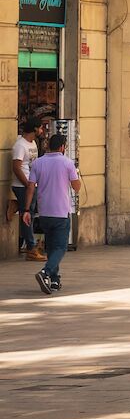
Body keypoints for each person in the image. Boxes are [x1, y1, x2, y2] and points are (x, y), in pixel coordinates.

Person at [24, 131, 79, 294]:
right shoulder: (67, 163)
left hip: (44, 212)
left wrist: (27, 210)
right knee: (61, 247)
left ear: (48, 146)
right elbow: (77, 187)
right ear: (62, 147)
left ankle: (55, 280)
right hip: (61, 212)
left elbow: (30, 188)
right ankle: (45, 272)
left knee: (51, 246)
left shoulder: (38, 163)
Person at [10, 117, 40, 260]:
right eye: (40, 127)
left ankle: (14, 206)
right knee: (27, 214)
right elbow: (16, 167)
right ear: (34, 129)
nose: (42, 130)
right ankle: (31, 247)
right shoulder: (20, 146)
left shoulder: (33, 143)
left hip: (31, 185)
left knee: (30, 213)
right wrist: (27, 183)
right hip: (23, 186)